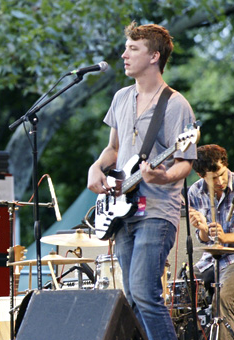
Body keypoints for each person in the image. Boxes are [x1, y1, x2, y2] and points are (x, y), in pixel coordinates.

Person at [87, 22, 196, 340]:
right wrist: (96, 167)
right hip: (122, 211)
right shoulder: (121, 97)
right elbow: (114, 148)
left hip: (157, 211)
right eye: (126, 47)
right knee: (132, 298)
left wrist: (163, 176)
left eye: (133, 48)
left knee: (145, 294)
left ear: (154, 56)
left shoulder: (176, 105)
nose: (124, 55)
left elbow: (185, 163)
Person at [189, 144, 234, 339]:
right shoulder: (195, 192)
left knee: (222, 297)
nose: (220, 181)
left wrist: (225, 238)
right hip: (210, 259)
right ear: (200, 175)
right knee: (181, 289)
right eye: (213, 178)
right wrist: (203, 229)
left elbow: (223, 239)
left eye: (222, 174)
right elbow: (204, 239)